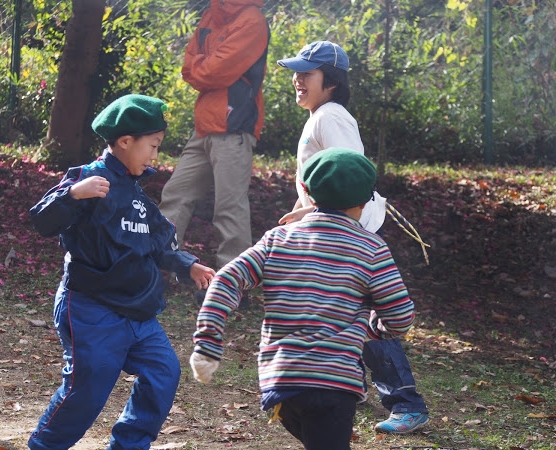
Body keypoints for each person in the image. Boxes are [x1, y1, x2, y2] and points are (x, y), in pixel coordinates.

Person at [189, 148, 416, 449]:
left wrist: (208, 344)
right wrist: (368, 329)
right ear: (365, 202)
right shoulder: (372, 248)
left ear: (306, 193)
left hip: (282, 385)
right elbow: (401, 318)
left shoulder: (277, 239)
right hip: (333, 386)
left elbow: (227, 279)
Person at [27, 94, 216, 450]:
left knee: (163, 373)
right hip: (91, 310)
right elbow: (41, 220)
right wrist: (72, 196)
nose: (155, 156)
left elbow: (159, 245)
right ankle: (45, 446)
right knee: (89, 385)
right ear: (126, 141)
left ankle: (128, 444)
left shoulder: (139, 197)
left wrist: (188, 265)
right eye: (153, 146)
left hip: (138, 313)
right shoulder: (87, 180)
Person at [276, 40, 429, 434]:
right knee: (339, 311)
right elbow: (324, 181)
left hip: (352, 229)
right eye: (296, 73)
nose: (297, 80)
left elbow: (347, 178)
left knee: (367, 316)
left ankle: (406, 403)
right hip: (331, 226)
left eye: (306, 74)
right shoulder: (320, 115)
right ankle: (346, 385)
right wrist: (304, 217)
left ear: (331, 82)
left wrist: (310, 215)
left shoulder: (331, 117)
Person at [158, 0, 269, 294]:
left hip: (234, 129)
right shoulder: (211, 15)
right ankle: (157, 271)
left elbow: (216, 71)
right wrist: (202, 66)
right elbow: (190, 65)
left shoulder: (252, 20)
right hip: (204, 127)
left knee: (229, 208)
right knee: (175, 195)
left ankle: (232, 287)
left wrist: (201, 66)